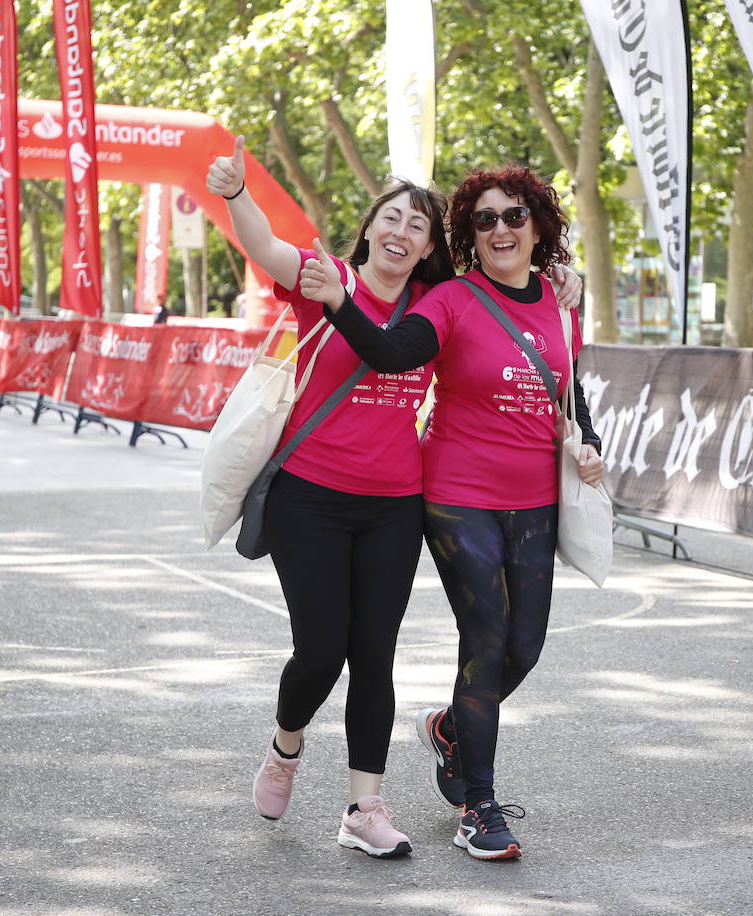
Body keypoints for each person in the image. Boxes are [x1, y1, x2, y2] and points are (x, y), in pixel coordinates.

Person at [298, 164, 605, 861]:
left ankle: (449, 729)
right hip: (457, 492)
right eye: (484, 219)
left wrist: (588, 444)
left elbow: (570, 394)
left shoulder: (560, 304)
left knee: (524, 648)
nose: (500, 228)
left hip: (535, 498)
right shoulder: (452, 301)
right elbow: (386, 352)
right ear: (468, 234)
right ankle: (479, 804)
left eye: (514, 215)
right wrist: (339, 301)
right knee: (488, 636)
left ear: (539, 228)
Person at [206, 135, 456, 859]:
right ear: (370, 226)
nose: (402, 231)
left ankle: (364, 808)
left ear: (428, 246)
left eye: (419, 225)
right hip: (308, 498)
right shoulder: (324, 278)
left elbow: (504, 280)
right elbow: (266, 245)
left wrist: (560, 281)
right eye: (392, 217)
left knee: (374, 655)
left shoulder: (434, 306)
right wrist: (235, 193)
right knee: (320, 652)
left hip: (394, 506)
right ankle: (286, 747)